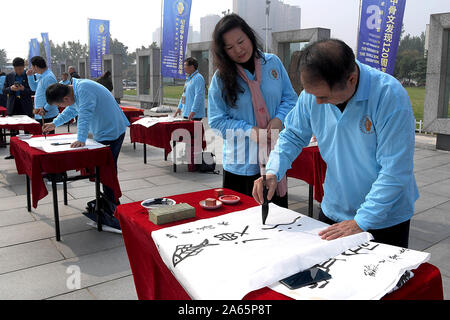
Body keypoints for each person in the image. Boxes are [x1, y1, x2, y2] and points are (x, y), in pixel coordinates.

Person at [253, 39, 418, 248]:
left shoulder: (388, 96)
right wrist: (273, 171)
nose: (317, 103)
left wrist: (361, 221)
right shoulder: (311, 96)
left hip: (384, 218)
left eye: (323, 97)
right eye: (312, 95)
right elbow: (292, 135)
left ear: (351, 79)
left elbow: (395, 170)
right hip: (334, 208)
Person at [208, 14, 298, 207]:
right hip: (241, 163)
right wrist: (249, 131)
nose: (239, 50)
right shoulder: (221, 78)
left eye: (241, 41)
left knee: (277, 221)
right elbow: (216, 121)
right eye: (230, 47)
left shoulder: (272, 63)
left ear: (249, 36)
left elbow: (290, 98)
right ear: (223, 51)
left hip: (274, 160)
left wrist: (279, 119)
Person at [43, 79, 129, 210]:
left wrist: (81, 138)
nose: (63, 107)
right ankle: (109, 199)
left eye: (60, 105)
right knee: (103, 169)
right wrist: (55, 123)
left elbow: (84, 115)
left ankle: (112, 205)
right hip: (104, 130)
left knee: (107, 169)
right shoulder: (75, 91)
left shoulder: (84, 90)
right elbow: (71, 111)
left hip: (111, 131)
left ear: (65, 98)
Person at [2, 57, 34, 159]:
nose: (18, 71)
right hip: (13, 105)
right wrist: (11, 88)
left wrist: (23, 89)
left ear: (24, 67)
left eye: (20, 69)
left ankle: (27, 152)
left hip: (25, 105)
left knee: (27, 130)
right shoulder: (9, 76)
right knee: (13, 131)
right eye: (16, 69)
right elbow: (4, 90)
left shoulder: (29, 75)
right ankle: (13, 153)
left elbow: (33, 91)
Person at [27, 56, 59, 134]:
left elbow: (53, 96)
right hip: (40, 113)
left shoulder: (49, 77)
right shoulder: (42, 75)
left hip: (46, 113)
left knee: (47, 138)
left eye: (32, 66)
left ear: (36, 67)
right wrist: (30, 77)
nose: (32, 68)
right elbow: (34, 88)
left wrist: (45, 109)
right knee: (41, 137)